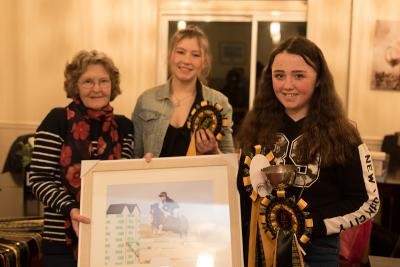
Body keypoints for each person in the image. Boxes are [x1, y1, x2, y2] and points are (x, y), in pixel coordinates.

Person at [235, 36, 380, 266]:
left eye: (299, 75)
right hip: (260, 249)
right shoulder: (256, 129)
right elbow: (243, 193)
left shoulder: (344, 135)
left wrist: (314, 223)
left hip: (318, 252)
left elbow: (367, 202)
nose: (287, 85)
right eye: (279, 75)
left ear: (319, 80)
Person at [28, 50, 134, 267]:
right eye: (88, 81)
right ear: (75, 85)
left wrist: (145, 167)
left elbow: (127, 183)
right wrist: (71, 209)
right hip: (61, 241)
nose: (96, 88)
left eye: (103, 81)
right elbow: (38, 179)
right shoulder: (56, 120)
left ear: (112, 86)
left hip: (112, 238)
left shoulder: (125, 127)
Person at [132, 25, 234, 158]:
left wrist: (214, 151)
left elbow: (230, 163)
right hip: (154, 178)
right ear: (170, 56)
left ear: (204, 61)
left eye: (195, 55)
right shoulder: (146, 100)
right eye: (180, 52)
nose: (186, 61)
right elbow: (135, 157)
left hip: (201, 179)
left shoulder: (220, 103)